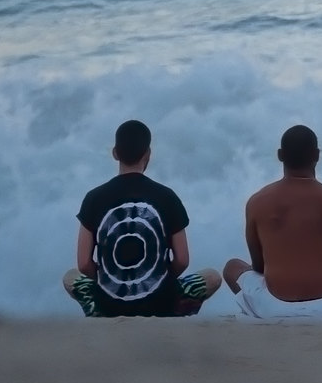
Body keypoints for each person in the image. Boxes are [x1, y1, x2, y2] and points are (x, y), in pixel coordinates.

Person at [222, 125, 322, 320]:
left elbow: (258, 266)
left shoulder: (257, 202)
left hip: (272, 308)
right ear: (316, 155)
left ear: (280, 155)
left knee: (232, 267)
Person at [64, 119, 220, 317]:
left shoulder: (93, 198)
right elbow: (182, 260)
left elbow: (84, 264)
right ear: (148, 153)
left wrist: (109, 281)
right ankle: (178, 309)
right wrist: (158, 279)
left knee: (70, 277)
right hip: (161, 302)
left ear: (115, 153)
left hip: (110, 303)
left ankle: (97, 310)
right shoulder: (167, 196)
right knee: (212, 277)